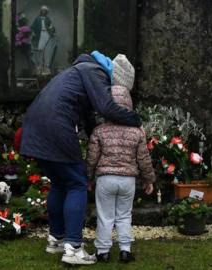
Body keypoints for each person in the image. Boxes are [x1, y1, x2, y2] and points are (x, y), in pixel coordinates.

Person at [20, 51, 142, 265]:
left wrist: (102, 136)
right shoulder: (95, 72)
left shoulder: (81, 71)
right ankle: (74, 248)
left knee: (60, 182)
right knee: (77, 183)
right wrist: (135, 120)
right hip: (55, 126)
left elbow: (88, 119)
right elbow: (106, 107)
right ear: (116, 81)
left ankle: (56, 239)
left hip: (34, 127)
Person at [87, 54, 155, 264]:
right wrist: (149, 179)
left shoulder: (99, 131)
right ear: (129, 105)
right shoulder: (137, 131)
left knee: (105, 215)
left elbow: (92, 158)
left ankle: (103, 252)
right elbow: (144, 158)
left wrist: (88, 177)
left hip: (105, 179)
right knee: (124, 215)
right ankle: (125, 250)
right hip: (128, 180)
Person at [31, 5, 56, 75]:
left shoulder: (48, 19)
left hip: (47, 34)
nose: (43, 12)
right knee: (40, 51)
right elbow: (32, 27)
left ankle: (46, 67)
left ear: (46, 12)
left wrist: (52, 31)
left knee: (47, 51)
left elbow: (51, 27)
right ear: (41, 11)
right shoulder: (37, 19)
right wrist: (33, 33)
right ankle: (39, 66)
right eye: (42, 10)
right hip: (39, 35)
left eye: (45, 11)